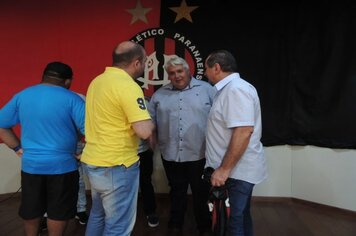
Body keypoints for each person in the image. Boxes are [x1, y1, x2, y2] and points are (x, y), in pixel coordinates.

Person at [0, 62, 85, 236]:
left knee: (32, 208)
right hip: (63, 167)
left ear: (44, 76)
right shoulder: (73, 98)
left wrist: (17, 148)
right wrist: (83, 154)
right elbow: (92, 132)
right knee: (58, 211)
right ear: (68, 81)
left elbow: (2, 125)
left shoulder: (22, 96)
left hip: (31, 166)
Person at [80, 41, 154, 236]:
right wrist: (151, 118)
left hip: (94, 161)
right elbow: (145, 131)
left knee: (98, 214)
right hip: (117, 164)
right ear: (136, 62)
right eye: (145, 61)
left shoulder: (97, 81)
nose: (146, 65)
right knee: (118, 226)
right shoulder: (128, 86)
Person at [148, 56, 215, 235]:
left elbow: (220, 120)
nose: (177, 76)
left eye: (180, 71)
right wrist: (152, 141)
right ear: (168, 76)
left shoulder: (208, 90)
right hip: (171, 154)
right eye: (172, 73)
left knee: (201, 192)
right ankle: (175, 224)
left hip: (200, 153)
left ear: (188, 71)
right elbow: (150, 122)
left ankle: (205, 227)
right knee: (176, 191)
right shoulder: (159, 95)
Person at [204, 50, 268, 236]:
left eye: (207, 69)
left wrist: (224, 170)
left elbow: (243, 132)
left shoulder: (235, 90)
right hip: (233, 171)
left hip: (235, 173)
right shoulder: (228, 89)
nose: (205, 73)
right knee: (240, 217)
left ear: (216, 68)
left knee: (233, 221)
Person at [137, 137, 159, 227]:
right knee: (122, 185)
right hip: (120, 152)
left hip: (143, 150)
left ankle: (150, 211)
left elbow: (150, 128)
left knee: (146, 181)